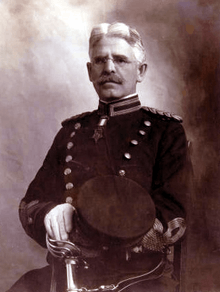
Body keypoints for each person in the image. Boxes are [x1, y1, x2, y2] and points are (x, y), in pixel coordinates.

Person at [8, 22, 191, 292]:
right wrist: (51, 214)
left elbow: (173, 217)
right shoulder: (71, 132)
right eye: (100, 60)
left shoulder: (165, 131)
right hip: (68, 272)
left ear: (140, 71)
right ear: (89, 71)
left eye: (120, 59)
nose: (109, 68)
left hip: (136, 276)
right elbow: (31, 203)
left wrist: (87, 230)